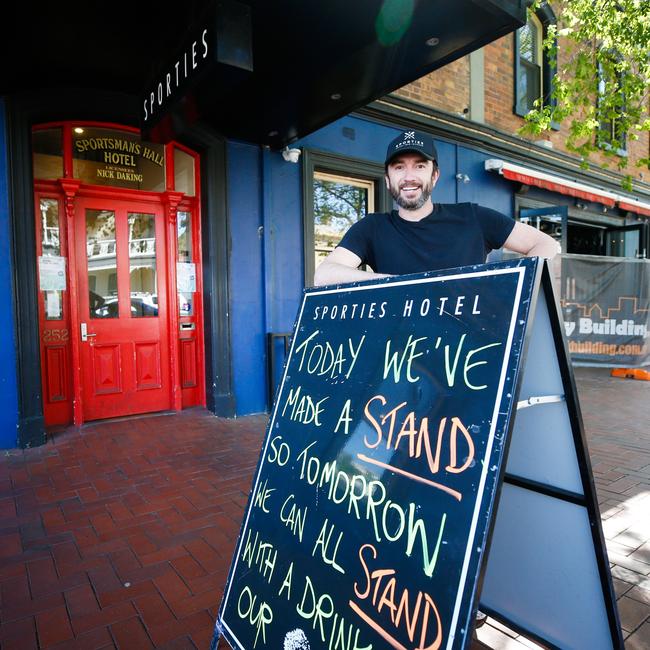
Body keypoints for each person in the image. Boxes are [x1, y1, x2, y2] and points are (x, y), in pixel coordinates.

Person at [314, 130, 559, 286]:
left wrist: (505, 285)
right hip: (400, 356)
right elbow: (324, 275)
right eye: (399, 167)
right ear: (388, 179)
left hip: (470, 354)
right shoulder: (372, 227)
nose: (409, 176)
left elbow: (547, 244)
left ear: (435, 176)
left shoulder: (473, 217)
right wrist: (395, 283)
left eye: (420, 166)